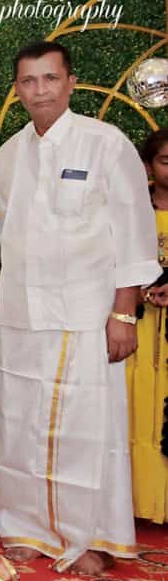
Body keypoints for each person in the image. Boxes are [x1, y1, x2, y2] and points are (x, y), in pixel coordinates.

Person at [0, 41, 158, 575]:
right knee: (20, 426)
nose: (39, 90)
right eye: (28, 81)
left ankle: (86, 535)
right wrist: (0, 315)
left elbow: (134, 235)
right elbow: (5, 238)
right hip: (21, 316)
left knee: (85, 431)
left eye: (49, 78)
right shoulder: (10, 154)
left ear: (71, 82)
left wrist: (124, 313)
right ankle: (26, 527)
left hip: (87, 316)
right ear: (17, 90)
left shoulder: (105, 145)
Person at [128, 128, 168, 523]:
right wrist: (141, 294)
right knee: (136, 408)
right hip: (137, 332)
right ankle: (137, 504)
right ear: (147, 167)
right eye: (165, 161)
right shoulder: (131, 212)